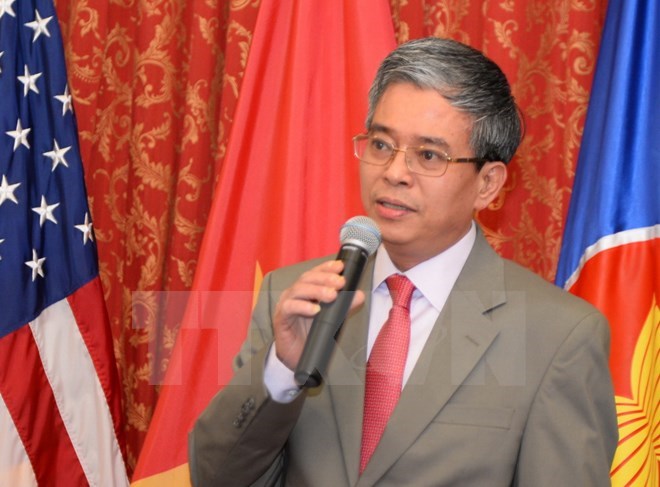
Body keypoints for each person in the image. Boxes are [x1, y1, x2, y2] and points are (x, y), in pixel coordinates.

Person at [188, 37, 618, 486]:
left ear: (488, 184)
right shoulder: (297, 299)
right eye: (380, 145)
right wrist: (282, 370)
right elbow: (215, 477)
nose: (393, 172)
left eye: (428, 155)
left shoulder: (558, 336)